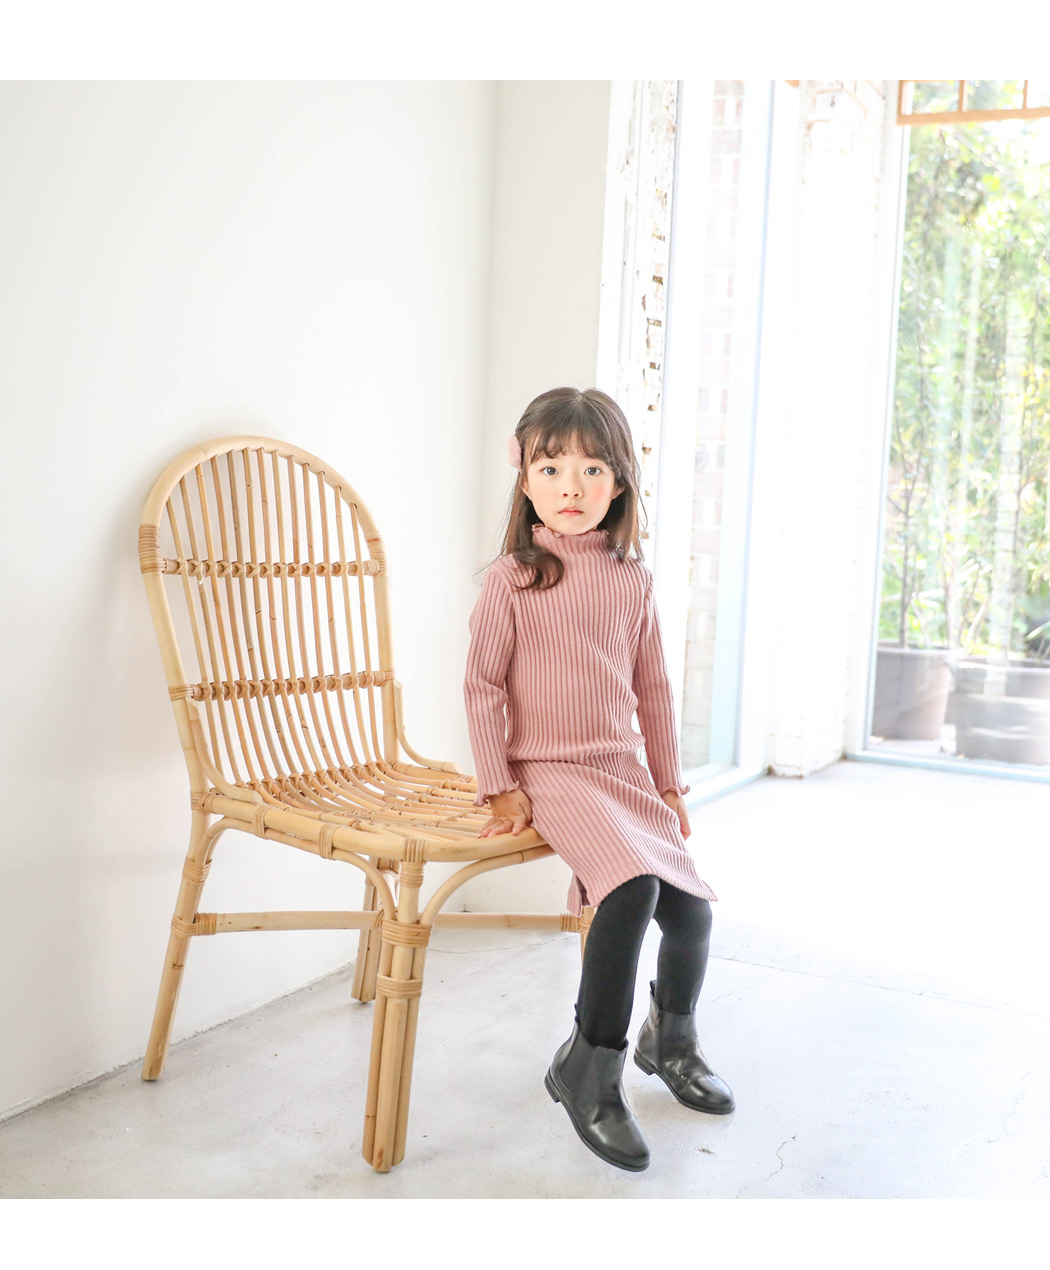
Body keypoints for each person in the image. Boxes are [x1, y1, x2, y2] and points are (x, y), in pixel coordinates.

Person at [462, 386, 734, 1173]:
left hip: (623, 771)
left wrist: (669, 785)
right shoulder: (511, 580)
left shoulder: (631, 579)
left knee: (691, 910)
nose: (571, 487)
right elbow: (481, 684)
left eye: (591, 469)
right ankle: (591, 1063)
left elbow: (653, 686)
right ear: (524, 479)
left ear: (619, 482)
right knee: (630, 889)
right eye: (550, 468)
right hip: (552, 771)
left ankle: (668, 1041)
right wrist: (498, 782)